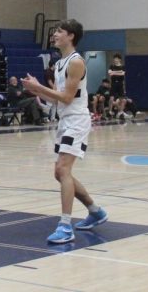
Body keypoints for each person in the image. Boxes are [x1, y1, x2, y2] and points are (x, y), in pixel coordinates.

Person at [22, 19, 108, 244]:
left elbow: (68, 98)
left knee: (63, 169)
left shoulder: (76, 62)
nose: (55, 35)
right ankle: (95, 210)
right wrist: (37, 89)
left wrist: (39, 88)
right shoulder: (60, 63)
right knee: (60, 173)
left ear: (71, 36)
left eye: (59, 31)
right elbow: (58, 97)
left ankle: (65, 226)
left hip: (77, 120)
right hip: (65, 120)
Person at [108, 54, 128, 118]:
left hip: (120, 83)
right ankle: (110, 112)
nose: (115, 60)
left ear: (119, 59)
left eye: (116, 59)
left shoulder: (123, 66)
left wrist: (114, 72)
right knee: (111, 98)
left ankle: (121, 112)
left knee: (121, 99)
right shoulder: (111, 66)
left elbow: (123, 73)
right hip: (113, 83)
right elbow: (110, 73)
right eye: (114, 59)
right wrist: (119, 72)